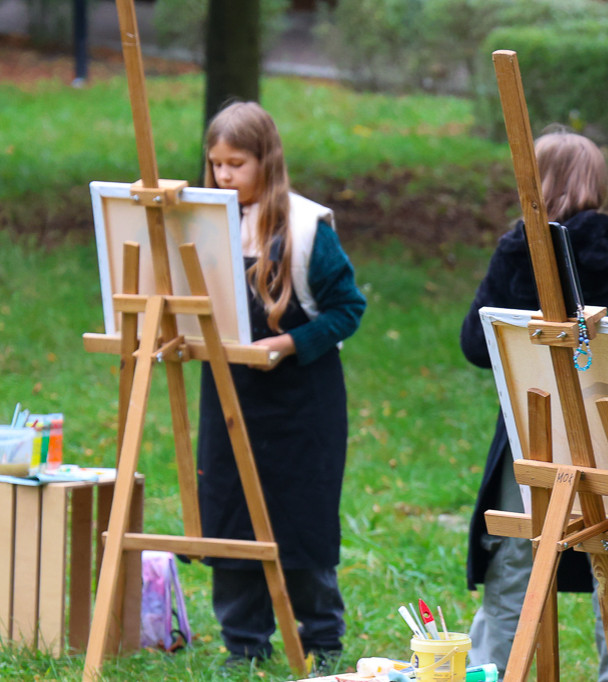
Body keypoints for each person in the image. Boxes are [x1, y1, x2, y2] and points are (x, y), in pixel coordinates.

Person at [460, 128, 608, 681]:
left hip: (536, 430)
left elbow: (475, 346)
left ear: (535, 185)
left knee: (514, 567)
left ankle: (494, 671)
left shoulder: (517, 251)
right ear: (597, 183)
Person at [197, 101, 366, 670]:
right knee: (232, 511)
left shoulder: (306, 229)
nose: (223, 176)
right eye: (216, 164)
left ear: (266, 162)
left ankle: (322, 640)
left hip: (302, 402)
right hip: (229, 397)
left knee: (301, 517)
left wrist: (287, 344)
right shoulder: (201, 222)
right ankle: (242, 641)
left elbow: (348, 309)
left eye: (235, 164)